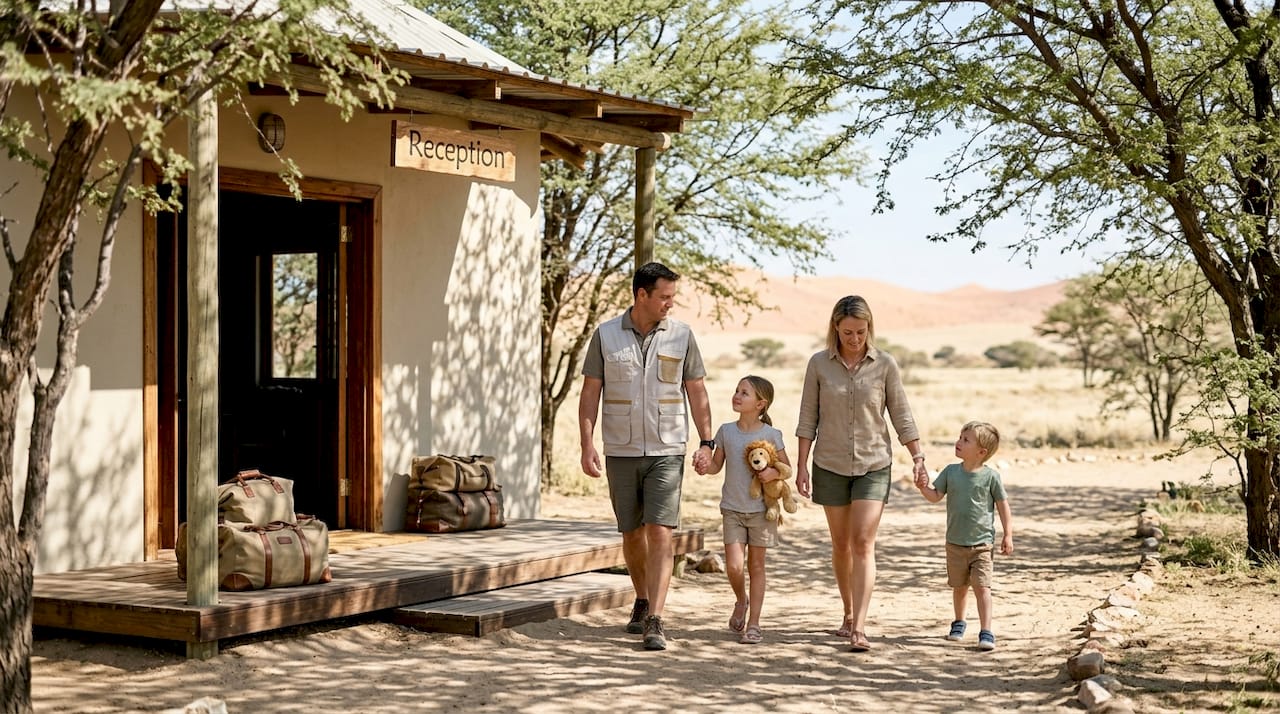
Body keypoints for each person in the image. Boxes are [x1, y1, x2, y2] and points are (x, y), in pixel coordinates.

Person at [578, 261, 714, 651]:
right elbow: (590, 394)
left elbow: (697, 391)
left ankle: (656, 617)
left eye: (673, 296)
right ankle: (641, 598)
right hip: (620, 448)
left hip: (667, 448)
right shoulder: (605, 335)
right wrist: (587, 444)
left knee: (660, 531)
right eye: (664, 297)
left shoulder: (682, 336)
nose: (671, 303)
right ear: (642, 295)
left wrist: (707, 442)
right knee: (632, 533)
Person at [794, 295, 928, 652]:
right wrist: (801, 466)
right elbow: (808, 417)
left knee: (863, 542)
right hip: (830, 464)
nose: (855, 339)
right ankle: (848, 612)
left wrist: (917, 456)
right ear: (836, 327)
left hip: (873, 463)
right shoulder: (819, 364)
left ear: (870, 328)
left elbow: (901, 412)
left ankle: (861, 627)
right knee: (841, 545)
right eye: (849, 332)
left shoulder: (884, 364)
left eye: (862, 331)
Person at [694, 375, 789, 645]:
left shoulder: (772, 435)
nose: (737, 395)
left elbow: (787, 469)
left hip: (762, 511)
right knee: (734, 566)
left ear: (761, 404)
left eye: (744, 393)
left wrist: (772, 473)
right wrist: (703, 465)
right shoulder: (726, 431)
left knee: (756, 566)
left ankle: (754, 624)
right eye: (737, 390)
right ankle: (741, 599)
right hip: (733, 509)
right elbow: (715, 467)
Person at [914, 420, 1014, 651]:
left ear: (981, 452)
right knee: (959, 588)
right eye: (960, 437)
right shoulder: (950, 472)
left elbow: (1003, 506)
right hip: (955, 544)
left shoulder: (991, 477)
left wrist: (1008, 534)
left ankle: (986, 631)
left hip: (982, 545)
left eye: (965, 440)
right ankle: (959, 622)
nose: (958, 442)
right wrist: (922, 487)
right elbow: (935, 495)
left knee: (982, 588)